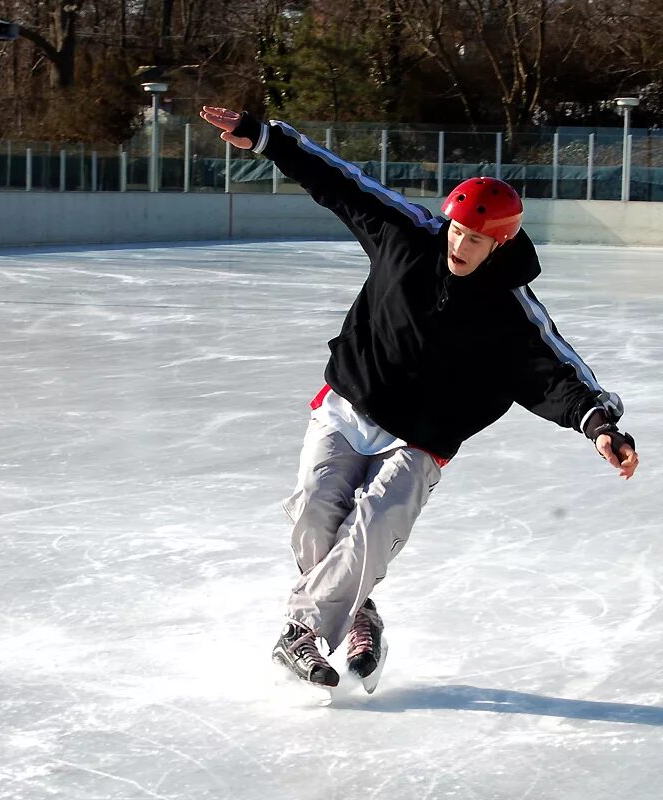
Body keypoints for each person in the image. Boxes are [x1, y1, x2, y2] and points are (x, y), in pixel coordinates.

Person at [199, 106, 639, 692]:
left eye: (477, 239)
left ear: (500, 243)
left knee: (377, 521)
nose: (461, 243)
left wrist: (599, 423)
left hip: (424, 434)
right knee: (313, 512)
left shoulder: (508, 310)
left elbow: (556, 369)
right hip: (352, 400)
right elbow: (342, 181)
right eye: (459, 230)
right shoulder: (407, 234)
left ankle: (300, 630)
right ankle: (359, 614)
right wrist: (267, 137)